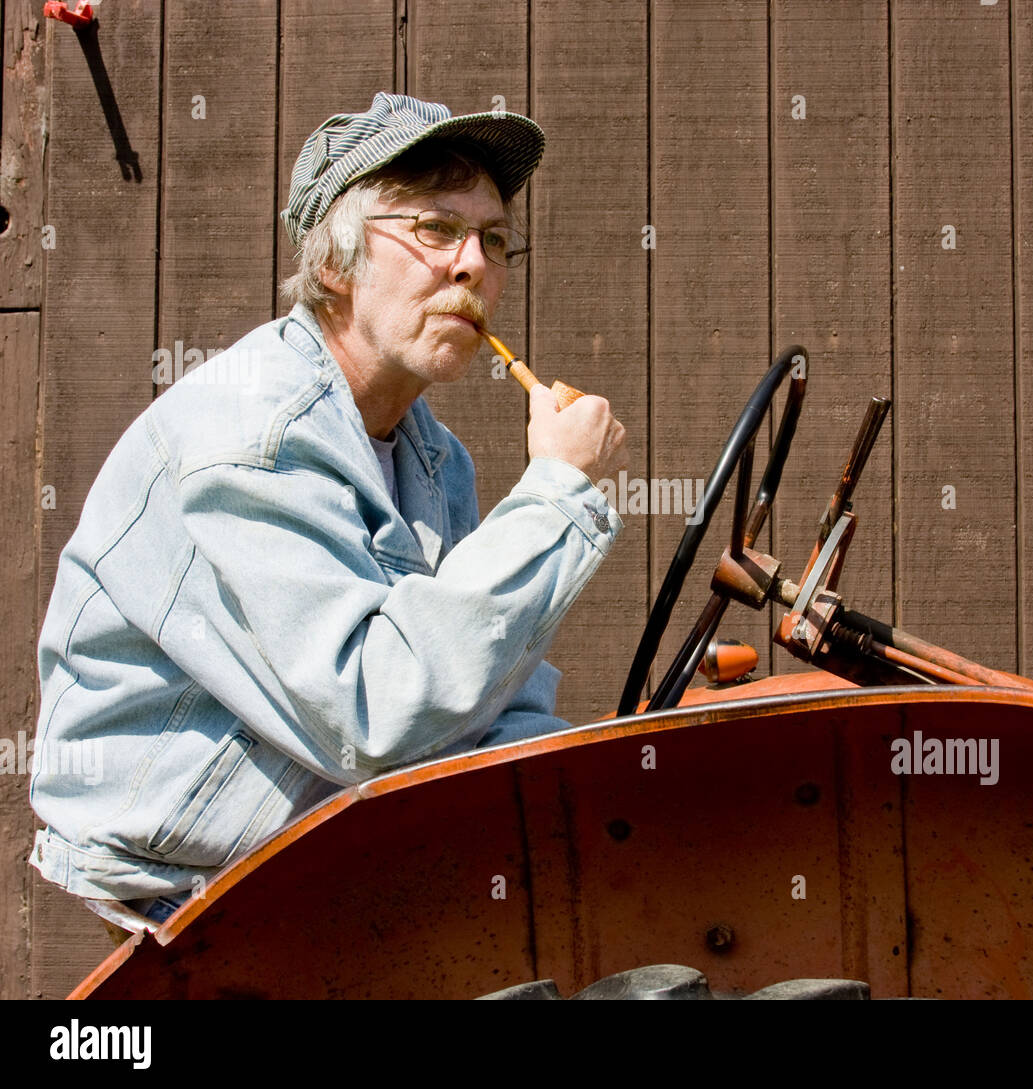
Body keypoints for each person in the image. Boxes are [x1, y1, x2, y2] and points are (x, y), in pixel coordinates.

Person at [28, 92, 627, 940]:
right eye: (433, 229)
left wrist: (593, 805)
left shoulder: (432, 454)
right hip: (189, 878)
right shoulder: (252, 435)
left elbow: (490, 694)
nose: (472, 265)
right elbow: (373, 715)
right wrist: (557, 494)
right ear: (337, 263)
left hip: (323, 839)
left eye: (494, 239)